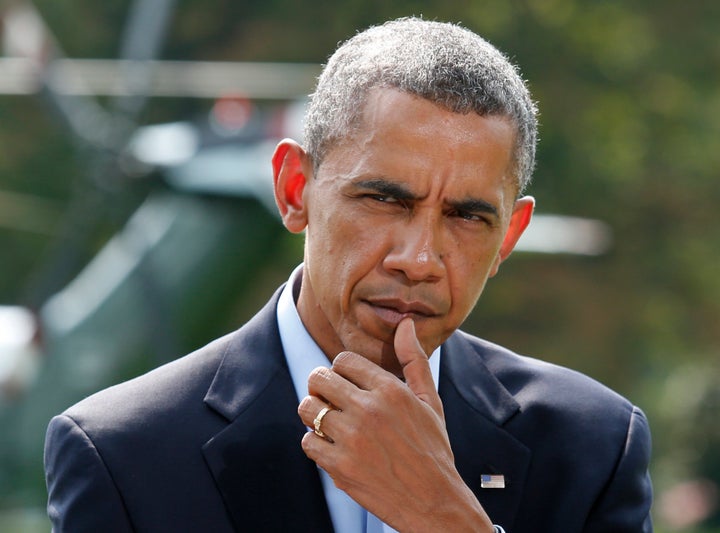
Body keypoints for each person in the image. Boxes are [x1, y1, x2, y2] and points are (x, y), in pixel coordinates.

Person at [43, 17, 653, 532]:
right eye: (385, 200)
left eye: (467, 216)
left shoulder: (595, 446)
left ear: (508, 239)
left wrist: (446, 517)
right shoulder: (121, 454)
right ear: (294, 190)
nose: (418, 259)